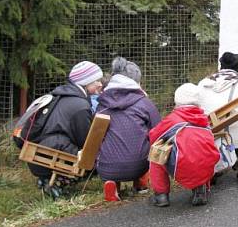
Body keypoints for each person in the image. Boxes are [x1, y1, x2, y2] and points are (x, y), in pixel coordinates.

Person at [22, 61, 103, 197]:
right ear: (86, 82)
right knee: (94, 160)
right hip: (52, 153)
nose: (100, 84)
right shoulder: (80, 106)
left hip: (40, 152)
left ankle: (47, 179)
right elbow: (85, 141)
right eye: (96, 81)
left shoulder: (61, 96)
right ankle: (59, 183)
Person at [95, 57, 161, 201]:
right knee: (147, 142)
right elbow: (158, 129)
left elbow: (95, 135)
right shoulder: (144, 103)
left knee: (109, 143)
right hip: (140, 165)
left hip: (107, 166)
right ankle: (140, 183)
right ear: (136, 80)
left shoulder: (102, 103)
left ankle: (113, 184)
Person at [148, 84, 220, 207]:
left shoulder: (173, 119)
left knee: (156, 152)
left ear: (177, 100)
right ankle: (200, 190)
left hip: (182, 167)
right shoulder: (204, 120)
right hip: (207, 168)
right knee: (202, 151)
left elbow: (153, 136)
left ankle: (161, 195)